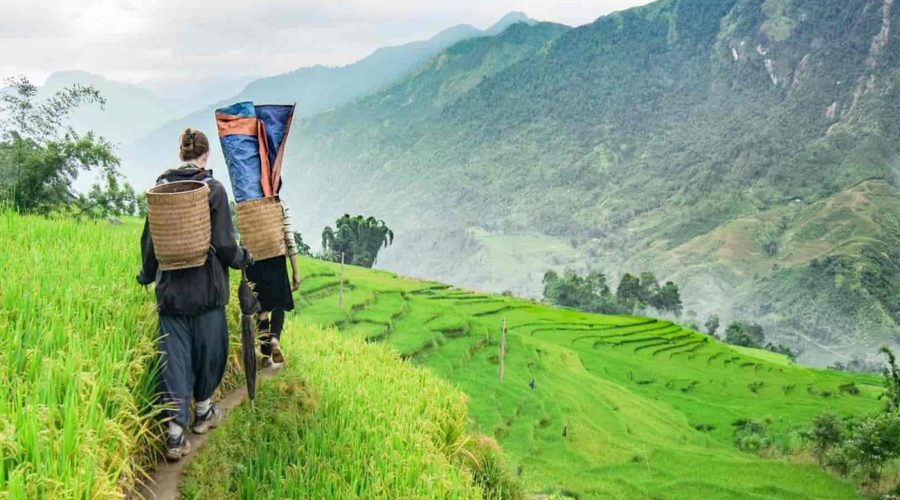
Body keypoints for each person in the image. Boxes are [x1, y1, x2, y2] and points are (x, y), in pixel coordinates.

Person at [137, 128, 252, 461]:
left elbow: (151, 241)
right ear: (206, 154)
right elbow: (226, 246)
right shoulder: (213, 190)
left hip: (171, 295)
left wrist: (146, 275)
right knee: (209, 355)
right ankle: (203, 413)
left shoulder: (161, 189)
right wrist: (243, 258)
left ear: (181, 154)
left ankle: (175, 435)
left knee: (174, 362)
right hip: (206, 292)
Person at [246, 200, 300, 368]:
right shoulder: (280, 205)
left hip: (254, 261)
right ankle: (275, 339)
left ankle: (266, 355)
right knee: (278, 305)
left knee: (261, 309)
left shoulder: (248, 206)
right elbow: (289, 239)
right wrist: (296, 271)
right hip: (276, 259)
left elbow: (244, 238)